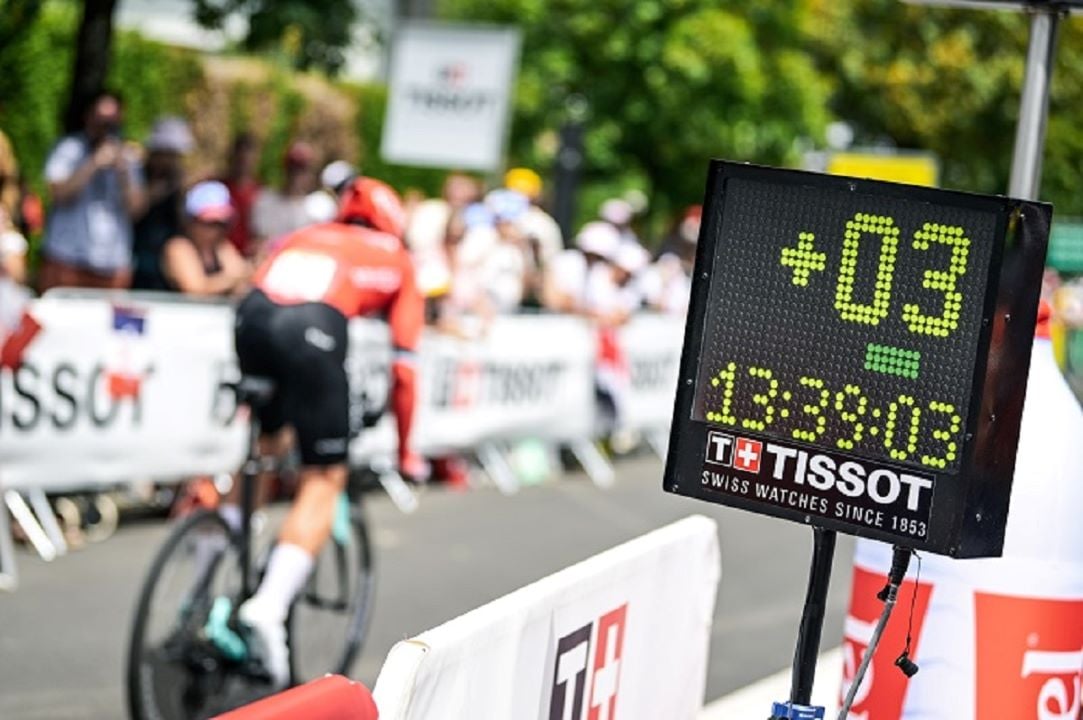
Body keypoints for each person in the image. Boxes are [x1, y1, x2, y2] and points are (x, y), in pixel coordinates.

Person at [229, 177, 425, 687]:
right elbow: (404, 370)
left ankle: (207, 563)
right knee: (324, 477)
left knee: (267, 449)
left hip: (251, 317)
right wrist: (408, 452)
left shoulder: (307, 233)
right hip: (310, 328)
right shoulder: (398, 258)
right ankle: (267, 610)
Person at [38, 90, 146, 291]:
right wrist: (93, 164)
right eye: (101, 120)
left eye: (112, 122)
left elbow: (137, 210)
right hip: (67, 260)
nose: (106, 127)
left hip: (113, 265)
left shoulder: (128, 157)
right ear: (88, 117)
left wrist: (124, 173)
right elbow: (58, 194)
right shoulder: (69, 149)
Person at [132, 117, 195, 290]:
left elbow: (186, 225)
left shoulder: (181, 185)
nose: (170, 161)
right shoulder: (137, 176)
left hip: (169, 267)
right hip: (137, 264)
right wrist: (159, 189)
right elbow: (134, 211)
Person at [160, 181, 250, 296]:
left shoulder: (222, 248)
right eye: (210, 223)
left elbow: (241, 281)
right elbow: (195, 289)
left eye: (222, 224)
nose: (216, 231)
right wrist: (238, 277)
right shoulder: (178, 247)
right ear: (190, 222)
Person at [251, 140, 321, 253]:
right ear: (285, 169)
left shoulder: (315, 207)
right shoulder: (266, 200)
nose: (296, 175)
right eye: (293, 169)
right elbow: (259, 242)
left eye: (302, 170)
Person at [222, 132, 262, 258]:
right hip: (220, 254)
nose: (243, 161)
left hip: (249, 256)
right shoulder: (218, 188)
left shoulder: (261, 193)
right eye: (240, 157)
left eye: (248, 157)